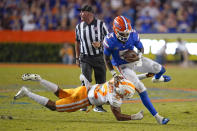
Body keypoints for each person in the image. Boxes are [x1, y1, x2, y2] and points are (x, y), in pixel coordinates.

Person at [103, 16, 170, 124]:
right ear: (116, 30)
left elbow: (141, 48)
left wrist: (138, 56)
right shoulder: (109, 40)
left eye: (127, 33)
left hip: (135, 60)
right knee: (141, 89)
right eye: (123, 33)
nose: (126, 35)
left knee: (160, 69)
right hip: (123, 66)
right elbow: (106, 58)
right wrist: (114, 73)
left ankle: (157, 79)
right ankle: (158, 117)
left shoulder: (133, 34)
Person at [14, 73, 144, 121]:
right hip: (83, 100)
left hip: (84, 89)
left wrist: (146, 75)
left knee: (61, 93)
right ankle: (27, 92)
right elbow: (118, 117)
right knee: (54, 106)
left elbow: (132, 78)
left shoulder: (116, 79)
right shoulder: (114, 97)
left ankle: (40, 80)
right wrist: (134, 117)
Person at [75, 5, 109, 112]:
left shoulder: (101, 24)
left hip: (99, 57)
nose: (80, 14)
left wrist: (100, 44)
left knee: (101, 82)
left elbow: (108, 40)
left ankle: (98, 106)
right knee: (86, 81)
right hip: (85, 57)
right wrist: (77, 57)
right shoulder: (78, 27)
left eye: (82, 12)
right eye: (80, 12)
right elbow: (77, 41)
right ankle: (83, 104)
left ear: (89, 13)